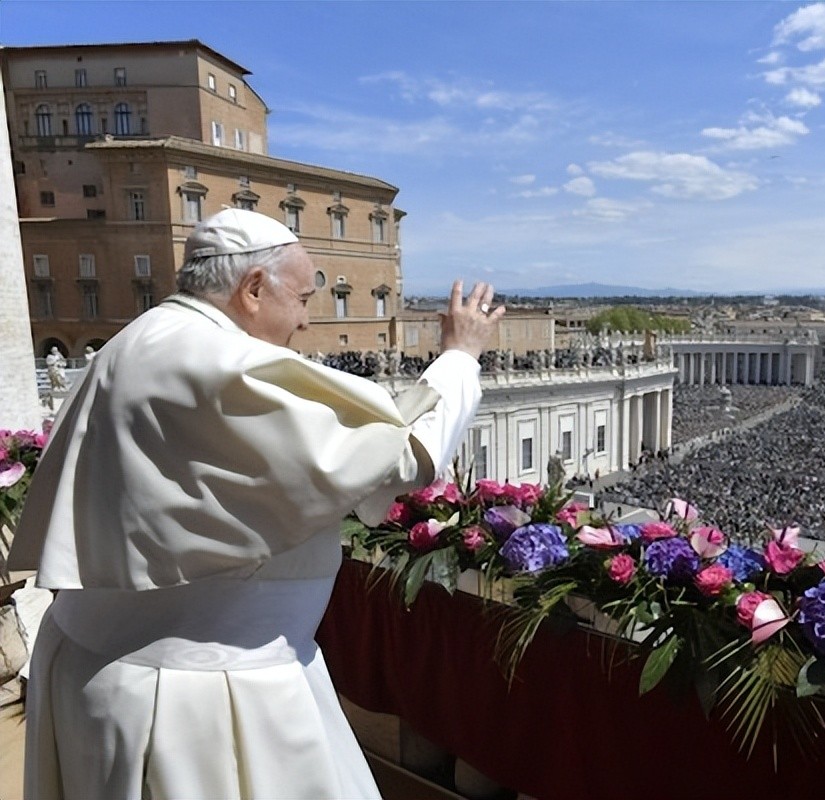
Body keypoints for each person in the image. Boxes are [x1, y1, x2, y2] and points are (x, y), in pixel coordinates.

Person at [9, 208, 505, 800]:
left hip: (99, 669)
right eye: (300, 298)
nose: (303, 320)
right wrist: (460, 358)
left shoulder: (137, 340)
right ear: (252, 288)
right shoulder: (218, 362)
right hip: (197, 699)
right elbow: (397, 455)